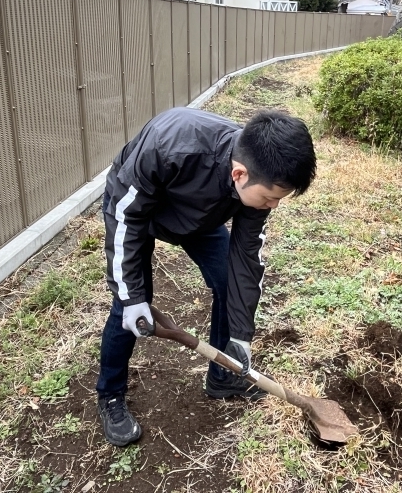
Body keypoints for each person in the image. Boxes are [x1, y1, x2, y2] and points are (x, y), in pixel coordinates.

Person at [96, 107, 317, 446]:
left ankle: (223, 377)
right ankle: (110, 394)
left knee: (230, 282)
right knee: (131, 304)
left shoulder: (255, 182)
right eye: (271, 198)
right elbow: (127, 218)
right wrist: (131, 298)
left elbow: (246, 259)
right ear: (239, 174)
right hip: (138, 209)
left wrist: (241, 336)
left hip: (199, 217)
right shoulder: (171, 145)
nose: (273, 206)